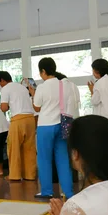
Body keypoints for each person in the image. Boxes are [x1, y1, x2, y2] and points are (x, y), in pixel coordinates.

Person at [30, 58, 74, 199]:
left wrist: (33, 94)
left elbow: (37, 107)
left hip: (45, 126)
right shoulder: (64, 85)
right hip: (61, 124)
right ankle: (68, 192)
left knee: (44, 159)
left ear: (43, 71)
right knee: (62, 159)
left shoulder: (42, 87)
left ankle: (47, 191)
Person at [0, 71, 37, 181]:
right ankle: (30, 175)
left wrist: (4, 106)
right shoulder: (22, 87)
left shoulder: (5, 88)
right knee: (29, 148)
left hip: (18, 119)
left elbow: (4, 108)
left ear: (2, 80)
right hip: (30, 119)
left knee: (13, 148)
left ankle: (14, 175)